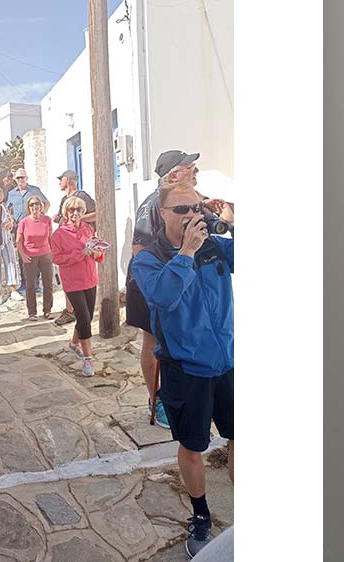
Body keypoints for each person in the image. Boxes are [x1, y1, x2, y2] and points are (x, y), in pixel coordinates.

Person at [131, 180, 234, 557]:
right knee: (192, 446)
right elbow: (163, 297)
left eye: (196, 208)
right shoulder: (149, 258)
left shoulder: (214, 245)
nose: (191, 215)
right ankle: (201, 515)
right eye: (181, 209)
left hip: (227, 363)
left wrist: (236, 219)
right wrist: (187, 252)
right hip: (186, 370)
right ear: (162, 214)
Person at [129, 150, 230, 429]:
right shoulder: (153, 203)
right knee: (154, 341)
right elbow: (139, 249)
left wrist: (224, 217)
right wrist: (174, 261)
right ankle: (156, 399)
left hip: (185, 271)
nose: (196, 172)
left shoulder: (192, 202)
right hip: (151, 279)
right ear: (173, 174)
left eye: (194, 208)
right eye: (190, 168)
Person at [50, 196, 104, 376]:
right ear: (66, 212)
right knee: (83, 318)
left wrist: (97, 254)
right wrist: (80, 254)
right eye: (71, 210)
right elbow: (57, 258)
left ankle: (74, 344)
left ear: (83, 212)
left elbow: (98, 251)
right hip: (72, 282)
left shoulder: (89, 229)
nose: (75, 213)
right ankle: (88, 359)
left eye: (79, 210)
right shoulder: (59, 234)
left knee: (86, 317)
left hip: (90, 279)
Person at [52, 169, 98, 327]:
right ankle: (69, 310)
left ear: (68, 179)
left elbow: (97, 213)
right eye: (71, 210)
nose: (59, 182)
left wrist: (78, 218)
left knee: (85, 320)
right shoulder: (64, 199)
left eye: (61, 179)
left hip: (83, 248)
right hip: (66, 243)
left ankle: (72, 313)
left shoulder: (82, 196)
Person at [5, 168, 45, 300]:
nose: (20, 180)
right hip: (19, 228)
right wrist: (11, 219)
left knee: (35, 254)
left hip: (33, 227)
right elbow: (7, 208)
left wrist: (40, 216)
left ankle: (36, 283)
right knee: (22, 255)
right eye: (18, 178)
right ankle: (24, 282)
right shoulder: (11, 193)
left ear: (27, 178)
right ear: (15, 179)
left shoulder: (34, 190)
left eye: (23, 177)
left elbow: (46, 203)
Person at [16, 195, 55, 320]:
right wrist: (23, 255)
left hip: (45, 254)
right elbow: (18, 241)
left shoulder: (47, 220)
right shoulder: (24, 222)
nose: (34, 206)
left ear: (41, 205)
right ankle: (32, 312)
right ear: (28, 207)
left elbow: (50, 237)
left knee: (48, 283)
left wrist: (53, 253)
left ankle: (47, 310)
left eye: (37, 203)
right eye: (31, 204)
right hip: (30, 255)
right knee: (30, 285)